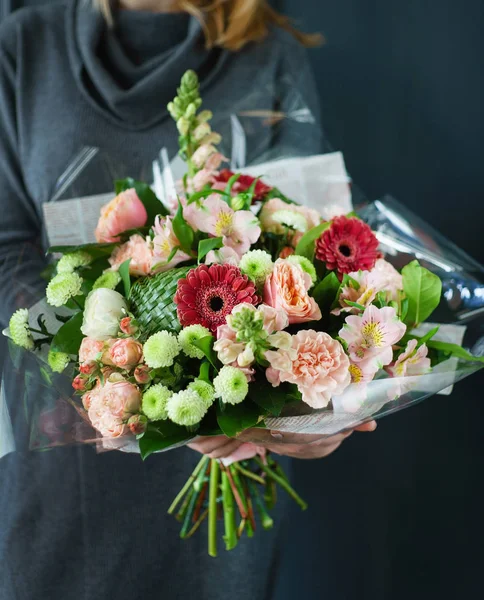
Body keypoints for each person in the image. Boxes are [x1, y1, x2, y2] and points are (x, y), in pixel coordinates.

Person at [0, 1, 375, 598]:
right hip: (65, 487)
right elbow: (5, 257)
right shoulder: (21, 48)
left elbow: (310, 243)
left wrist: (320, 407)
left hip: (232, 466)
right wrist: (107, 359)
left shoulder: (268, 53)